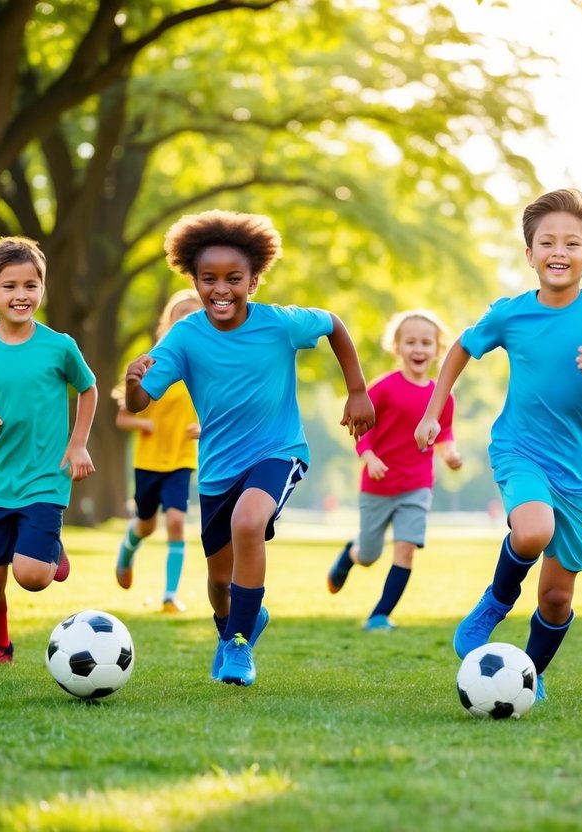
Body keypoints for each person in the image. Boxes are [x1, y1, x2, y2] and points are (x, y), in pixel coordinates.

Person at [415, 188, 582, 701]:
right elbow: (460, 347)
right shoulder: (511, 314)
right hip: (519, 449)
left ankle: (531, 674)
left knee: (557, 597)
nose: (558, 252)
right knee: (532, 529)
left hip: (581, 472)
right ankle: (494, 604)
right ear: (529, 254)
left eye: (571, 243)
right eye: (547, 242)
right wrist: (434, 411)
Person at [123, 209, 375, 687]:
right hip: (218, 469)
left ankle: (239, 647)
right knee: (220, 582)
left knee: (249, 521)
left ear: (253, 281)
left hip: (278, 452)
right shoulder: (184, 336)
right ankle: (236, 624)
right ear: (194, 281)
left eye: (234, 278)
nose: (221, 289)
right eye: (209, 279)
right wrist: (133, 382)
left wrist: (357, 390)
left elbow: (333, 324)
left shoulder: (279, 324)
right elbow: (141, 401)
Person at [0, 236, 98, 668]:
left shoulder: (60, 346)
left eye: (31, 285)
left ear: (42, 289)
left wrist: (77, 444)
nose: (21, 295)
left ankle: (46, 544)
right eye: (9, 286)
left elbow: (88, 390)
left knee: (32, 577)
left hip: (45, 476)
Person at [326, 310, 463, 630]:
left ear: (438, 348)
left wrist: (450, 454)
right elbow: (361, 428)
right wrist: (368, 456)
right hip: (377, 484)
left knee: (406, 548)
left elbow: (443, 434)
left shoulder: (442, 395)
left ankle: (379, 615)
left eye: (426, 343)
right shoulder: (383, 388)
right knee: (369, 555)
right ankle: (351, 554)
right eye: (411, 342)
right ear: (397, 347)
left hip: (417, 485)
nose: (419, 349)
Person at [114, 289, 204, 613]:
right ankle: (127, 550)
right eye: (180, 315)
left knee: (177, 522)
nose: (186, 320)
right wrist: (143, 425)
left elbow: (220, 409)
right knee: (147, 524)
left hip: (181, 459)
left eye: (194, 315)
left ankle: (169, 595)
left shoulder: (205, 366)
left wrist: (205, 428)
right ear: (168, 322)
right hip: (149, 461)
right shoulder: (153, 363)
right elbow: (124, 414)